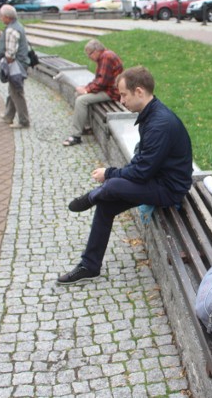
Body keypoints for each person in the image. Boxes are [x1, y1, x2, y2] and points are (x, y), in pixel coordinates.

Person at [58, 66, 193, 285]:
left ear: (139, 91)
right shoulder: (151, 115)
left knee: (111, 187)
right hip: (155, 179)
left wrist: (110, 173)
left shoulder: (159, 124)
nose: (120, 100)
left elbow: (141, 172)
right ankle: (89, 265)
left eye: (123, 95)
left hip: (169, 189)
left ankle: (91, 197)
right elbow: (143, 163)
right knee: (106, 204)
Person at [62, 39, 124, 146]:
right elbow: (99, 80)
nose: (89, 58)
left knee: (81, 100)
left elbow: (101, 83)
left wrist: (86, 90)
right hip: (107, 89)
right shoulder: (104, 56)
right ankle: (86, 127)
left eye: (89, 55)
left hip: (112, 92)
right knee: (79, 95)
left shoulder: (106, 57)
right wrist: (86, 88)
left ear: (96, 51)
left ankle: (76, 136)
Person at [0, 4, 31, 128]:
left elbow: (10, 53)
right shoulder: (16, 26)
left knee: (17, 92)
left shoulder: (11, 30)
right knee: (13, 90)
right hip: (21, 63)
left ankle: (24, 121)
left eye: (1, 15)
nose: (0, 18)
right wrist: (1, 35)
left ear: (7, 17)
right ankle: (8, 116)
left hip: (16, 65)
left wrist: (4, 67)